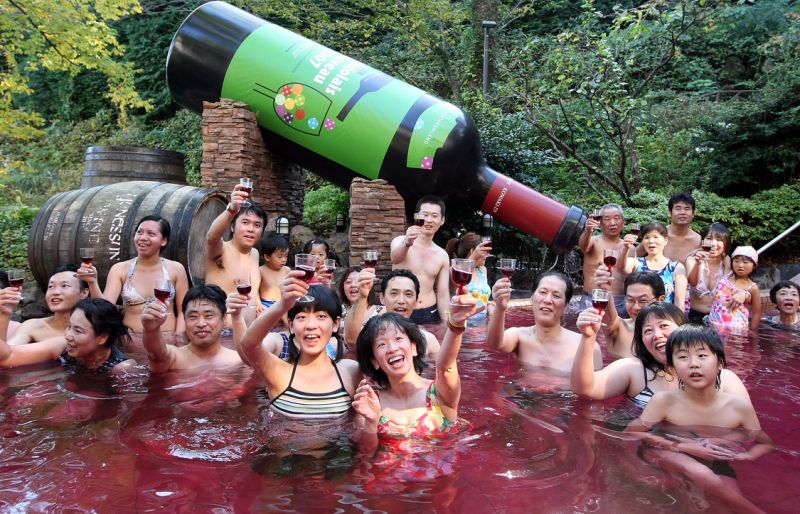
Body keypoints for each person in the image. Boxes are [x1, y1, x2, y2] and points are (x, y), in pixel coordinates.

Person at [625, 325, 774, 514]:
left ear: (720, 363)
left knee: (726, 500)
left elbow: (765, 442)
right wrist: (683, 446)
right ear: (672, 367)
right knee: (704, 476)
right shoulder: (665, 401)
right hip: (667, 451)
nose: (693, 364)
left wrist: (747, 456)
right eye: (682, 357)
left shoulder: (739, 408)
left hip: (713, 458)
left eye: (702, 355)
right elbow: (630, 433)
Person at [352, 296, 482, 450]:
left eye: (398, 338)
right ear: (374, 361)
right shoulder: (370, 404)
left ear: (413, 347)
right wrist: (371, 423)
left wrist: (455, 325)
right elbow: (366, 454)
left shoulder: (439, 394)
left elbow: (445, 368)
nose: (392, 348)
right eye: (382, 344)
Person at [572, 302, 751, 408]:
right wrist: (588, 338)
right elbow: (585, 388)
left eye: (664, 326)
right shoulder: (634, 369)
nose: (656, 335)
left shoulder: (725, 379)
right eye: (648, 330)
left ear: (683, 328)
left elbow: (746, 426)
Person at [236, 274, 362, 419]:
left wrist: (363, 297)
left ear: (335, 324)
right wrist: (282, 305)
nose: (311, 325)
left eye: (321, 316)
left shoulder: (350, 371)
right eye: (302, 317)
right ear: (291, 325)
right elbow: (249, 344)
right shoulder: (278, 372)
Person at [89, 216, 189, 342]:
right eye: (139, 232)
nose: (143, 237)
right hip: (130, 341)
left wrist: (179, 338)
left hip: (168, 341)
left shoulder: (176, 269)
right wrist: (92, 282)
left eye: (151, 234)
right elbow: (104, 309)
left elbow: (183, 311)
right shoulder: (120, 269)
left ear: (163, 240)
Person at [487, 270, 602, 374]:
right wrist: (500, 308)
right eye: (543, 292)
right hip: (522, 391)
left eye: (556, 296)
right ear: (532, 298)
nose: (547, 300)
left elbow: (595, 386)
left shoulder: (587, 347)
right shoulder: (520, 336)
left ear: (566, 307)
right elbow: (495, 344)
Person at [0, 296, 135, 373]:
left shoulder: (121, 368)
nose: (68, 336)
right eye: (69, 327)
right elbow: (7, 357)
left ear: (103, 337)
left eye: (78, 331)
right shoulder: (62, 346)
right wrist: (4, 314)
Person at [141, 285, 243, 373]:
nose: (201, 324)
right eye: (193, 317)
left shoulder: (238, 360)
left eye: (208, 316)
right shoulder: (174, 358)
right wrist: (151, 330)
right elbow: (156, 354)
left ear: (224, 318)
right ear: (184, 320)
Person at [344, 268, 440, 356]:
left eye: (408, 294)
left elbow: (442, 368)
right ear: (382, 299)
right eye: (394, 293)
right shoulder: (372, 336)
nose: (401, 300)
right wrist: (362, 296)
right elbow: (351, 341)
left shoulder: (428, 340)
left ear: (416, 302)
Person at [204, 183, 266, 315]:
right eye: (245, 222)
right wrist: (231, 210)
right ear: (232, 227)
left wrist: (258, 307)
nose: (251, 229)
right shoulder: (221, 251)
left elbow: (252, 293)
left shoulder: (254, 254)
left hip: (249, 327)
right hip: (223, 326)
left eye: (257, 225)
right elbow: (211, 237)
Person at [390, 195, 450, 324]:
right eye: (425, 215)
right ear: (416, 217)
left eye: (434, 216)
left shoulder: (442, 255)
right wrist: (407, 242)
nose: (429, 220)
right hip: (401, 311)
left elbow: (443, 293)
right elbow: (395, 259)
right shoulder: (400, 241)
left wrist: (447, 321)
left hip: (430, 312)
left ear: (442, 220)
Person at [5, 264, 89, 345]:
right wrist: (4, 313)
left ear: (84, 293)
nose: (55, 292)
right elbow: (7, 352)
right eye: (51, 286)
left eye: (64, 286)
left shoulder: (91, 329)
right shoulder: (33, 326)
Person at [594, 267, 666, 359]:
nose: (636, 307)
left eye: (643, 301)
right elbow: (608, 316)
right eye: (630, 300)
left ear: (661, 300)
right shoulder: (617, 329)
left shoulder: (671, 333)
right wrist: (604, 288)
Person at [622, 222, 687, 309]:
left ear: (665, 240)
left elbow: (679, 303)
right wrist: (626, 248)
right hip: (638, 313)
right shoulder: (636, 262)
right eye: (646, 237)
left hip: (664, 315)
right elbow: (622, 267)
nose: (651, 241)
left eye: (655, 237)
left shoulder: (676, 267)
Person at [578, 203, 628, 315]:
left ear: (623, 222)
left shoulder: (628, 247)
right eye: (607, 219)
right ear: (600, 223)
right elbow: (584, 246)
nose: (612, 223)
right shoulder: (593, 241)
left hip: (619, 300)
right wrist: (588, 231)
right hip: (593, 298)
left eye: (616, 218)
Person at [685, 223, 731, 324]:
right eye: (709, 238)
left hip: (719, 318)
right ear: (703, 241)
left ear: (726, 243)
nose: (713, 244)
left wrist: (728, 265)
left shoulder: (727, 262)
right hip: (695, 317)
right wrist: (698, 263)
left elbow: (727, 290)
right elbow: (692, 282)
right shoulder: (692, 260)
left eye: (719, 240)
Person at [709, 246, 762, 333]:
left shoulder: (752, 288)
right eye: (736, 261)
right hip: (714, 324)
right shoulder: (726, 277)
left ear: (754, 265)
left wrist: (753, 332)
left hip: (735, 330)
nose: (740, 265)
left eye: (745, 262)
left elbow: (757, 313)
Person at [444, 232, 492, 326]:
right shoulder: (455, 270)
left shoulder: (483, 270)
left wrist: (490, 306)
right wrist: (473, 256)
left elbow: (482, 297)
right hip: (462, 323)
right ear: (472, 251)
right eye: (484, 251)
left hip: (481, 323)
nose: (487, 255)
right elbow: (459, 283)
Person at [664, 192, 702, 264]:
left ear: (693, 214)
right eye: (678, 208)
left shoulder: (699, 241)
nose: (682, 212)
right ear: (669, 213)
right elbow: (639, 257)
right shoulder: (658, 235)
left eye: (687, 209)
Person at [258, 232, 291, 311]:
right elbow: (255, 290)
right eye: (279, 257)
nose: (284, 260)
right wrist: (258, 304)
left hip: (284, 302)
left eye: (286, 256)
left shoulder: (287, 270)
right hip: (266, 304)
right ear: (267, 257)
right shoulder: (261, 271)